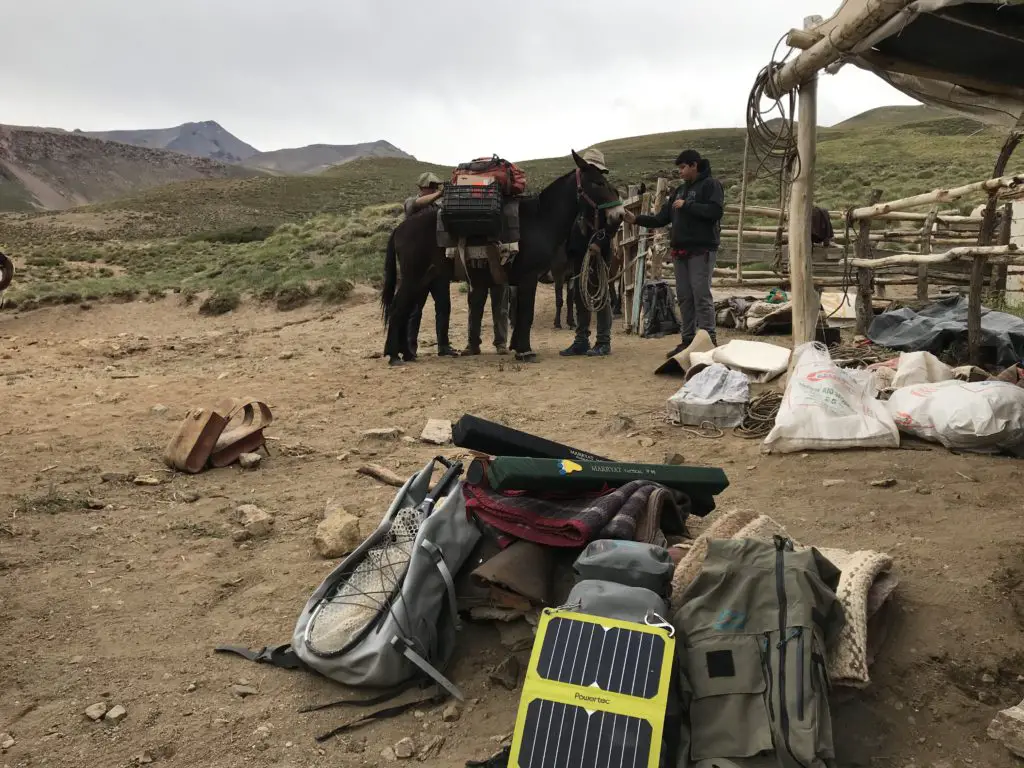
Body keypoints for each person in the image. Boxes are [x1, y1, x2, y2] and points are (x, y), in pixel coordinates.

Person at [624, 149, 724, 357]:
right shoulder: (679, 191)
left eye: (682, 167)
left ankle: (708, 340)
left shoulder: (711, 185)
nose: (680, 171)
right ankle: (687, 341)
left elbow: (715, 212)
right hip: (680, 252)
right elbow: (661, 218)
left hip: (701, 249)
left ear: (694, 165)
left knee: (701, 295)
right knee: (685, 297)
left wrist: (688, 206)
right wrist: (636, 220)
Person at [560, 147, 616, 357]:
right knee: (579, 294)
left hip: (597, 250)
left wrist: (599, 244)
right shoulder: (580, 190)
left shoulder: (608, 191)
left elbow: (612, 224)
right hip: (578, 248)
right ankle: (581, 339)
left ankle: (603, 341)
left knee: (600, 293)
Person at [404, 172, 457, 358]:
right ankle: (410, 349)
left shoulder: (439, 206)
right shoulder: (411, 202)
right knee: (415, 309)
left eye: (436, 186)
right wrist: (440, 194)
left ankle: (443, 346)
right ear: (422, 187)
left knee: (443, 307)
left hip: (439, 266)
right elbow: (416, 205)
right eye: (432, 186)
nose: (435, 189)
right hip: (419, 268)